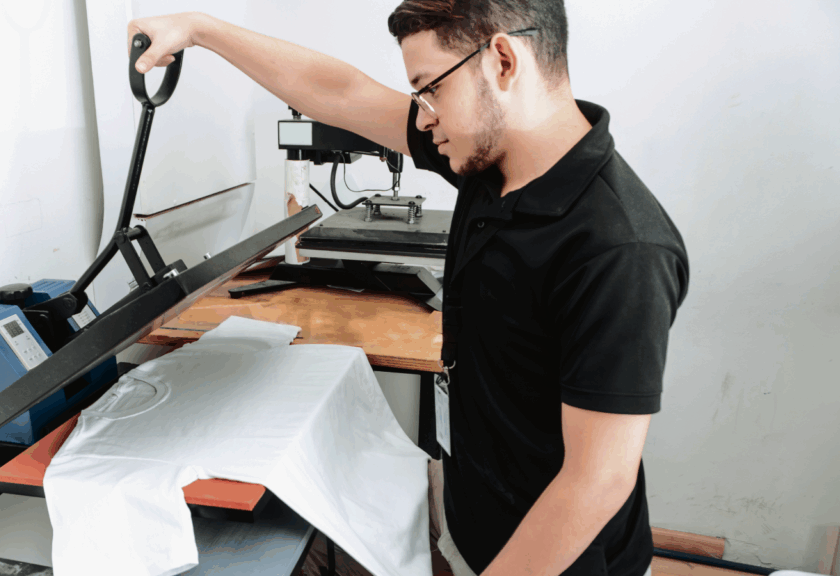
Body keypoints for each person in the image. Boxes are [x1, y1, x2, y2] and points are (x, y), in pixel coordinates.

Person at [129, 2, 688, 575]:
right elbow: (342, 93)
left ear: (501, 60)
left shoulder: (620, 249)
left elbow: (595, 482)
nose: (422, 118)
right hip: (475, 520)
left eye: (430, 90)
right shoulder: (493, 162)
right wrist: (201, 29)